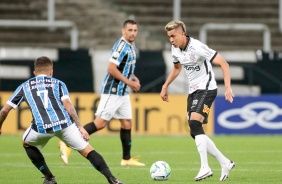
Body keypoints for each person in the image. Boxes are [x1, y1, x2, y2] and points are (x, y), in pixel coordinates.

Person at [0, 56, 124, 184]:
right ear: (51, 72)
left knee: (26, 143)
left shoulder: (24, 86)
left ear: (35, 73)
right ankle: (112, 179)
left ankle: (49, 178)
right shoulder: (59, 84)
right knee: (88, 151)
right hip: (65, 125)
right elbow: (69, 106)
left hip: (42, 128)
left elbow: (4, 111)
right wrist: (81, 127)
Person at [59, 19, 145, 167]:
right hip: (112, 91)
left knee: (126, 122)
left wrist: (132, 77)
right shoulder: (121, 46)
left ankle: (126, 159)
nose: (132, 33)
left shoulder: (131, 45)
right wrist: (130, 82)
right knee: (100, 123)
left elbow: (125, 67)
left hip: (123, 92)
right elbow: (111, 68)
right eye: (130, 30)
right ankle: (67, 142)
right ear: (123, 31)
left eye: (135, 30)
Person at [160, 20, 235, 182]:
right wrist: (165, 86)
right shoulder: (175, 49)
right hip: (193, 91)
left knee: (195, 124)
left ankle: (205, 167)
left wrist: (228, 88)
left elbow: (223, 63)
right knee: (194, 132)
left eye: (173, 36)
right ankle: (225, 162)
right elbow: (177, 68)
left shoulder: (198, 47)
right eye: (168, 37)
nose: (171, 40)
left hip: (207, 88)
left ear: (182, 34)